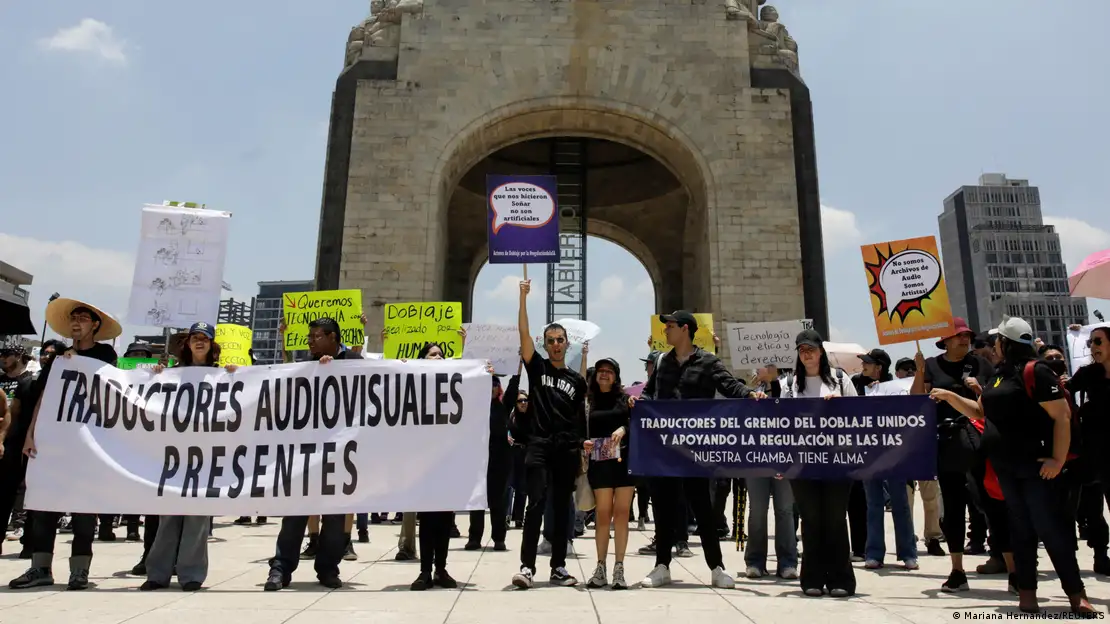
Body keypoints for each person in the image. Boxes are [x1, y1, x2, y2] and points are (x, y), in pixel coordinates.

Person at [931, 317, 1095, 615]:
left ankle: (1076, 594)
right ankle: (1027, 593)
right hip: (1006, 467)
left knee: (1052, 530)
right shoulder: (999, 375)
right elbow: (981, 411)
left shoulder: (1037, 371)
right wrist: (951, 396)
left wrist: (1058, 459)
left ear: (1007, 342)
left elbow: (1062, 417)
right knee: (1020, 531)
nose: (993, 346)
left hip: (1039, 468)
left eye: (997, 341)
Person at [637, 310, 764, 590]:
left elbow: (730, 386)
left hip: (696, 449)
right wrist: (640, 402)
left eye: (669, 326)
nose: (665, 331)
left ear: (685, 329)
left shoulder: (708, 362)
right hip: (665, 447)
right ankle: (662, 566)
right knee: (664, 508)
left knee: (702, 509)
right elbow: (649, 392)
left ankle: (716, 568)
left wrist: (751, 394)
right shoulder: (662, 362)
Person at [11, 298, 121, 590]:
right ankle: (40, 567)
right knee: (44, 504)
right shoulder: (58, 358)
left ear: (95, 325)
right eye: (74, 318)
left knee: (85, 506)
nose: (77, 322)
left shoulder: (105, 354)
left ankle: (79, 570)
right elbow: (44, 398)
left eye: (84, 318)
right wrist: (31, 433)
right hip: (53, 440)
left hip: (88, 441)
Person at [141, 322, 237, 592]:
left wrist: (235, 377)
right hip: (174, 455)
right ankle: (157, 574)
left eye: (204, 338)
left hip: (205, 456)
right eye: (195, 337)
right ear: (187, 344)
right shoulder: (172, 375)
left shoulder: (222, 375)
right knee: (168, 517)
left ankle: (191, 574)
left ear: (212, 344)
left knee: (196, 518)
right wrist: (156, 375)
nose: (199, 342)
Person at [262, 318, 354, 591]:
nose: (310, 341)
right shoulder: (305, 365)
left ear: (333, 338)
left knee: (335, 518)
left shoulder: (355, 362)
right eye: (309, 336)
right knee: (295, 514)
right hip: (304, 453)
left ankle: (328, 569)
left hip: (340, 454)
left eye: (316, 336)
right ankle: (280, 569)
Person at [510, 278, 588, 590]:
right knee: (536, 504)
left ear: (567, 344)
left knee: (560, 507)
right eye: (551, 340)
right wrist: (523, 298)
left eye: (560, 340)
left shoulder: (576, 381)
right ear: (545, 344)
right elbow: (523, 334)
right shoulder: (537, 368)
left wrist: (581, 448)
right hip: (539, 446)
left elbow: (579, 418)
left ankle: (558, 566)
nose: (556, 344)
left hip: (565, 449)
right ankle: (527, 566)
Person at [910, 317, 991, 592]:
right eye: (958, 336)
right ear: (945, 340)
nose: (964, 339)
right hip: (947, 442)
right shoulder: (932, 364)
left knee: (990, 503)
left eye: (967, 335)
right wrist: (920, 372)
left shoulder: (981, 364)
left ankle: (1010, 565)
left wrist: (980, 390)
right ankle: (957, 570)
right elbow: (916, 399)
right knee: (954, 508)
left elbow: (993, 401)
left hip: (980, 440)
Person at [783, 329, 857, 598]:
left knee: (835, 519)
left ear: (821, 351)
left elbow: (860, 418)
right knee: (811, 520)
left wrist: (841, 407)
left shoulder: (840, 380)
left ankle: (841, 579)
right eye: (802, 350)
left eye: (811, 349)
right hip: (802, 463)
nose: (807, 354)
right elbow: (780, 425)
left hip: (837, 460)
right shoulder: (788, 385)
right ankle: (812, 579)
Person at [583, 358, 635, 590]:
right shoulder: (588, 402)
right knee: (603, 514)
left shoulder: (625, 400)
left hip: (624, 463)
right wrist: (581, 443)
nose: (604, 374)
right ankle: (601, 566)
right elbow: (579, 428)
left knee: (622, 514)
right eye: (601, 371)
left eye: (609, 371)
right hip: (599, 464)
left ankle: (619, 567)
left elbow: (640, 423)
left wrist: (625, 428)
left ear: (616, 376)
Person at [1068, 326, 1110, 575]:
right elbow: (1063, 395)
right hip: (1092, 451)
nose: (1093, 347)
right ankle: (1100, 554)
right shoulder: (1087, 374)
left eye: (1098, 341)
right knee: (1093, 509)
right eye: (1090, 343)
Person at [466, 373, 512, 553]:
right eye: (489, 385)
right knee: (477, 500)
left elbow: (514, 385)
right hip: (478, 459)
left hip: (499, 460)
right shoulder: (475, 407)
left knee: (497, 502)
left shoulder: (504, 406)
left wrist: (517, 364)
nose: (492, 388)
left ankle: (499, 539)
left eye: (495, 385)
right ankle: (474, 538)